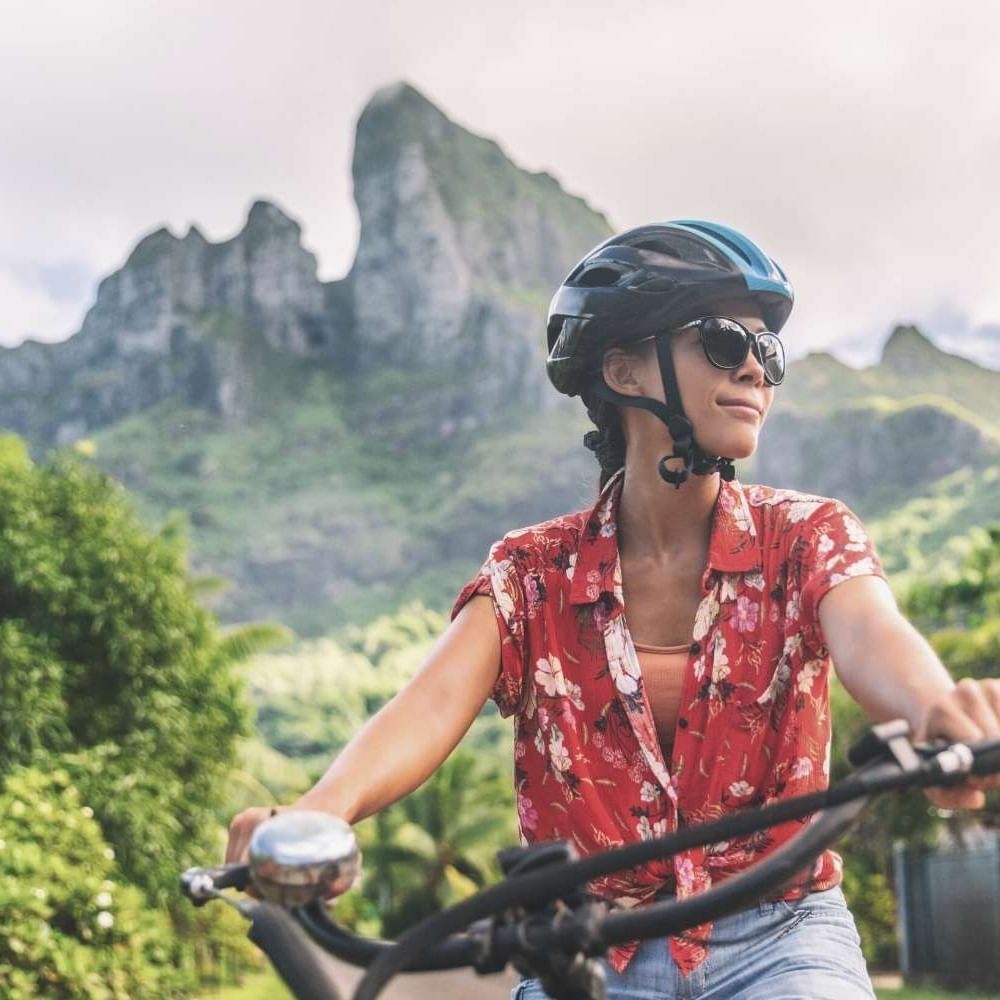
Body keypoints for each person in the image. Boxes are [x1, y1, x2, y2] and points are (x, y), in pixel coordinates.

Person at [226, 221, 1000, 999]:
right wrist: (314, 813)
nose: (757, 374)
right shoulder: (529, 573)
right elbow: (427, 708)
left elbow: (871, 632)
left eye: (770, 354)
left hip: (783, 935)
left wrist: (939, 710)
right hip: (587, 952)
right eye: (728, 342)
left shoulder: (803, 536)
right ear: (625, 367)